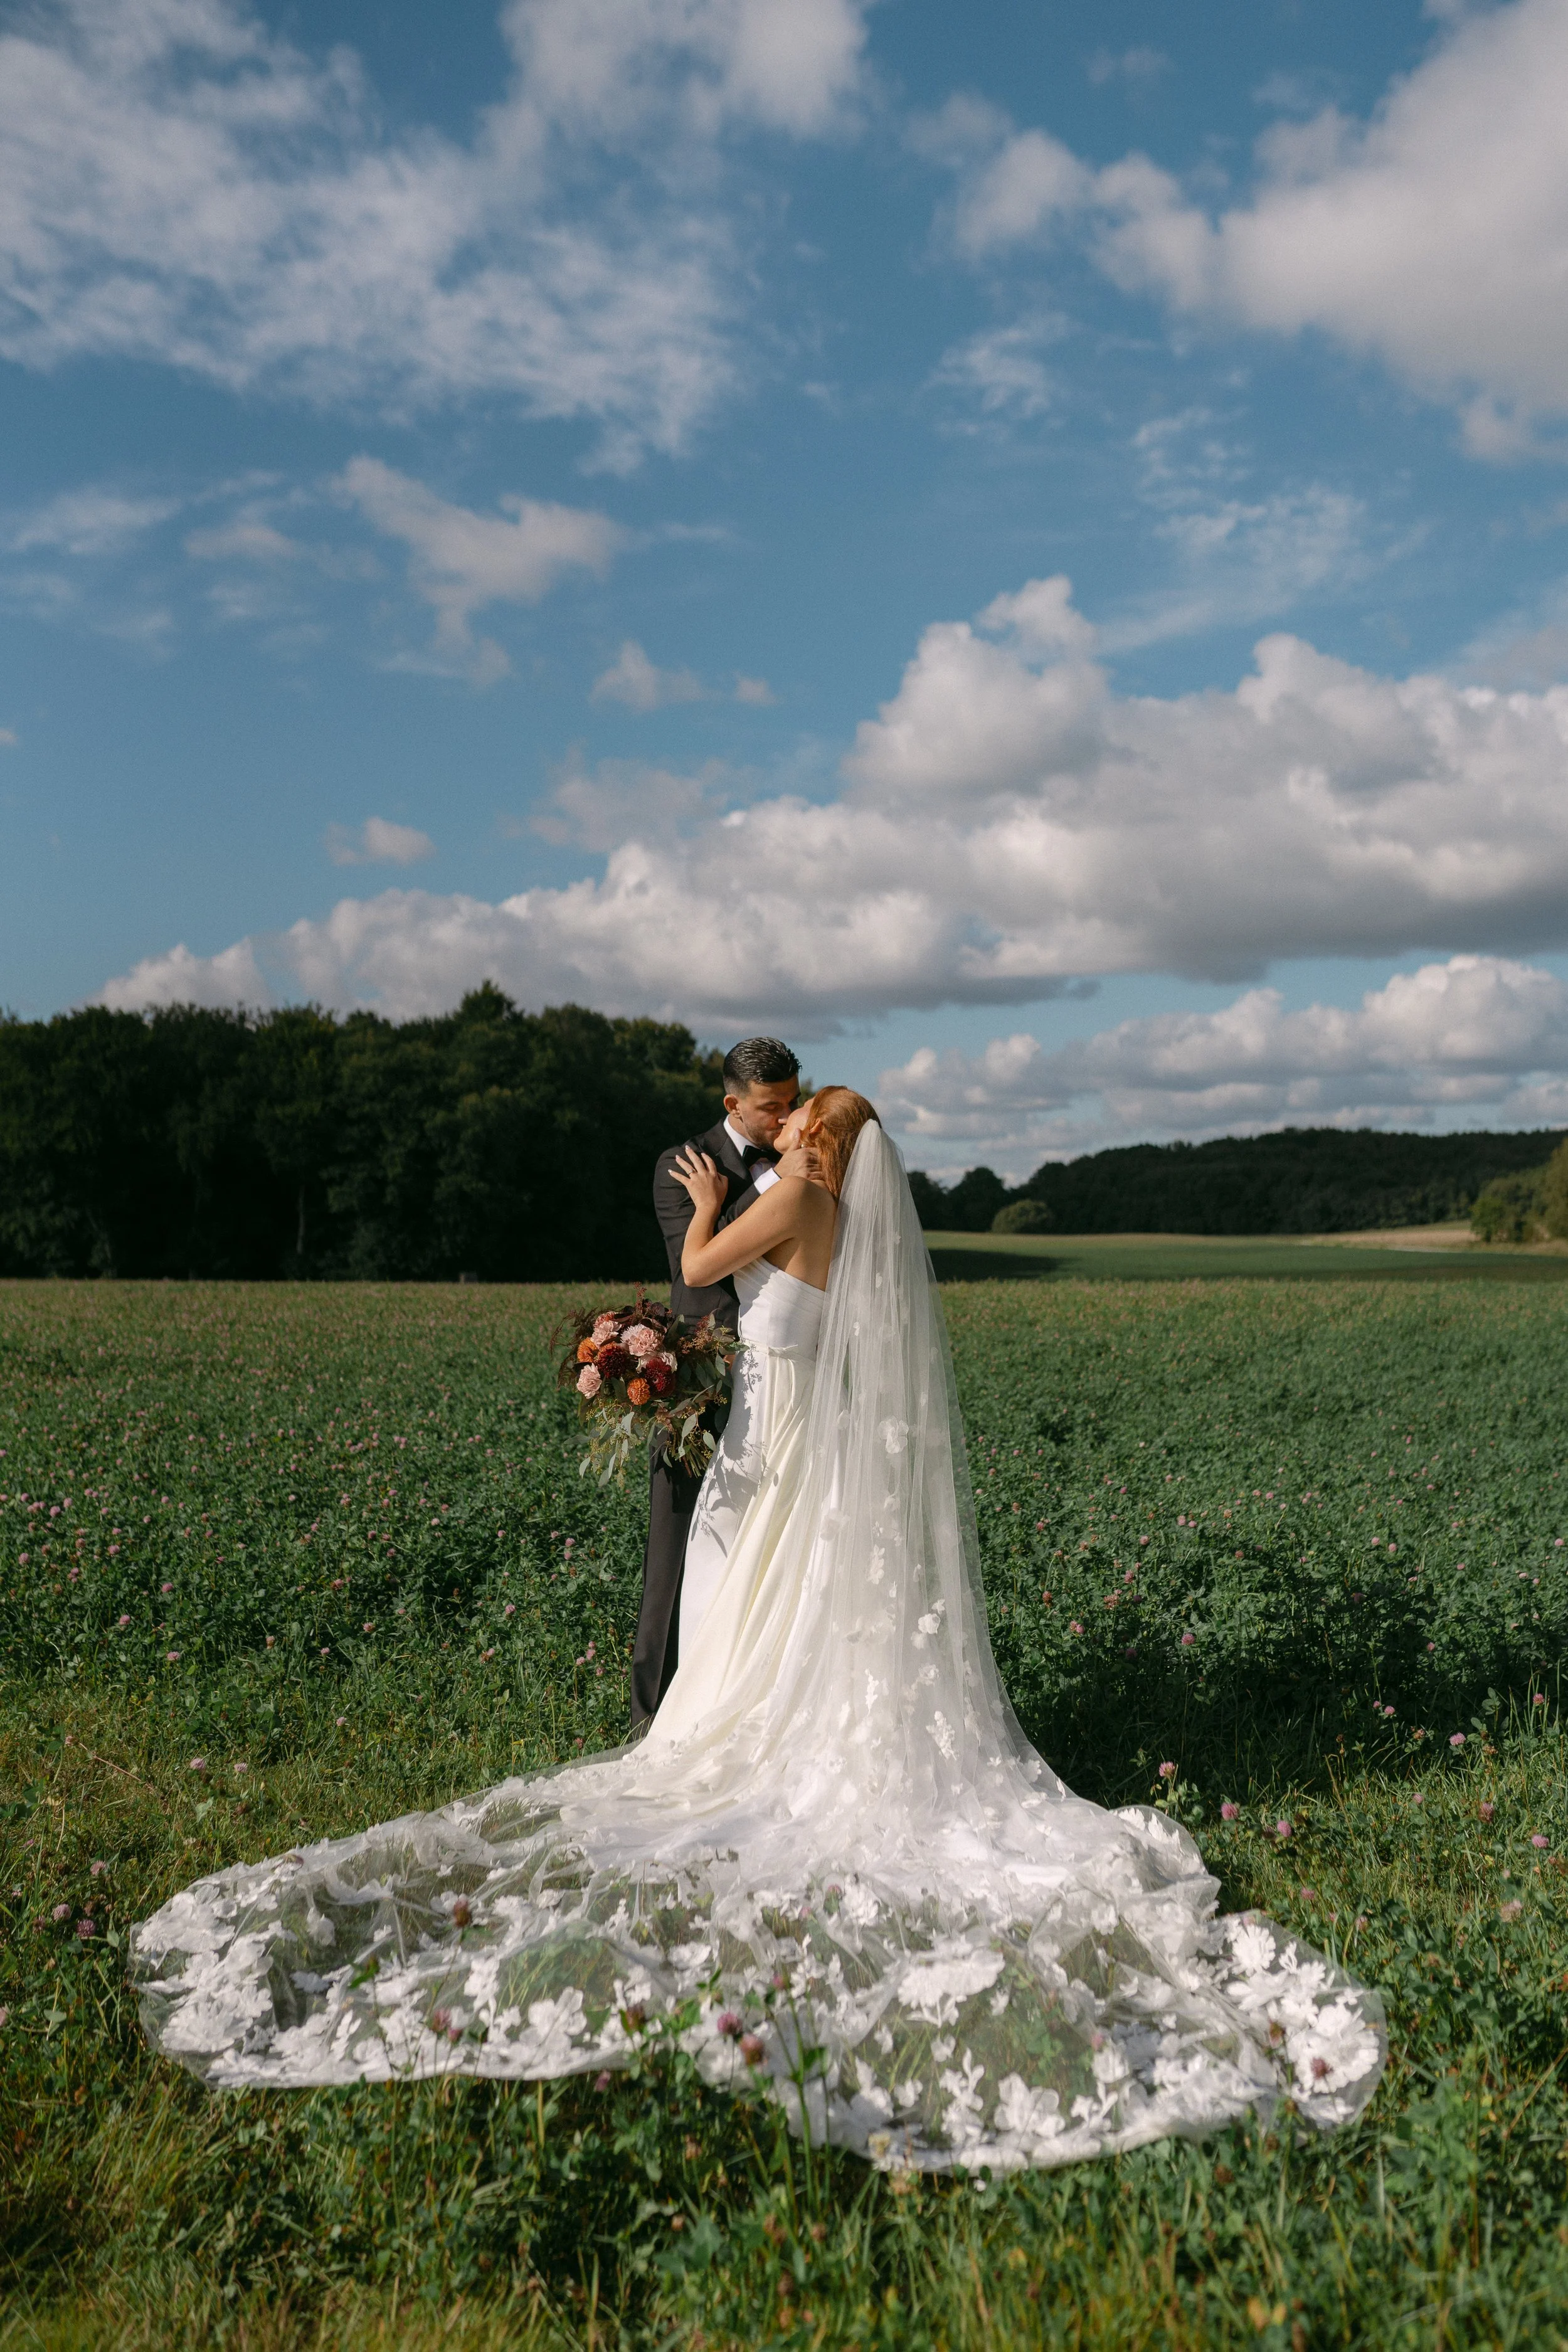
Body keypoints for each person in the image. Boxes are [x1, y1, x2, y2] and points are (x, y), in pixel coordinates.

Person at [132, 1101, 1385, 2175]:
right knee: (742, 1631)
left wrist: (694, 1199)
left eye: (797, 1122)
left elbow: (702, 1256)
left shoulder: (788, 1209)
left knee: (729, 1651)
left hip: (770, 1456)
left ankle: (709, 1743)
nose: (778, 1131)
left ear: (820, 1145)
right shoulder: (842, 1224)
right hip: (785, 1457)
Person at [632, 1036, 802, 1725]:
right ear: (732, 1102)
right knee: (673, 1548)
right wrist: (773, 1181)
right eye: (770, 1108)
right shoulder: (682, 1164)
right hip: (702, 1382)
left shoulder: (802, 1158)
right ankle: (650, 1718)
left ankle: (743, 1710)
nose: (784, 1119)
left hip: (782, 1379)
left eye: (792, 1102)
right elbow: (699, 1266)